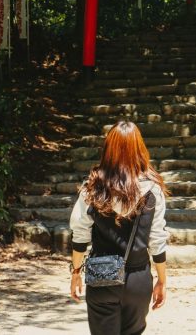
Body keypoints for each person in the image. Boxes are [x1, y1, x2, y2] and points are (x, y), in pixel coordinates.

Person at [69, 120, 169, 334]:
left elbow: (80, 236)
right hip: (138, 279)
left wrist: (76, 272)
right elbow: (157, 240)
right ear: (139, 149)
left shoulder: (92, 188)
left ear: (108, 150)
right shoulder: (153, 190)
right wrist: (162, 280)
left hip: (101, 278)